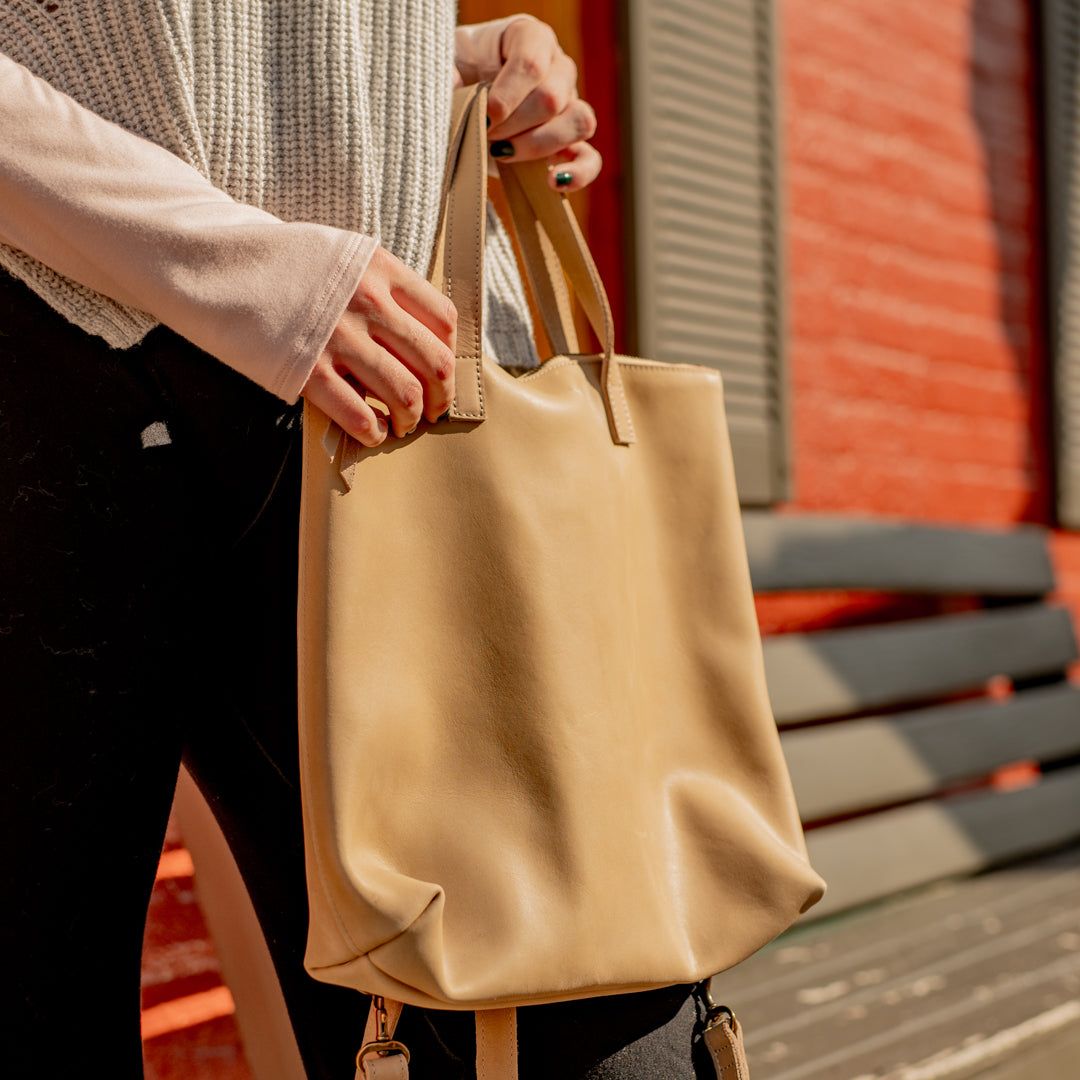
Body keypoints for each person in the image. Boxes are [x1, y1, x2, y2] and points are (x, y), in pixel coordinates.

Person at [0, 5, 716, 1077]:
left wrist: (440, 62)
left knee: (586, 1015)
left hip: (375, 377)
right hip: (49, 363)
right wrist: (237, 269)